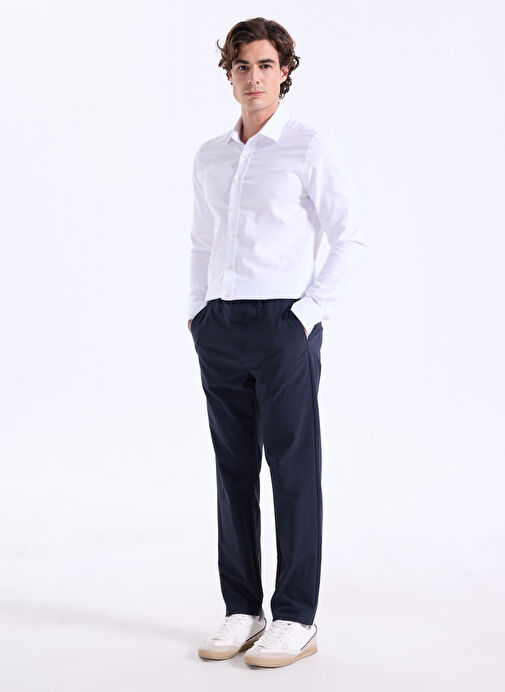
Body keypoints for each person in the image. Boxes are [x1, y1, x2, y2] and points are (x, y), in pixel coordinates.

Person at [188, 17, 366, 668]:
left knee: (292, 472)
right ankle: (242, 607)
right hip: (221, 324)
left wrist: (307, 315)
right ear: (229, 74)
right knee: (232, 470)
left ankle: (295, 616)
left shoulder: (309, 145)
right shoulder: (210, 155)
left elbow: (349, 236)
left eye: (265, 65)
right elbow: (202, 240)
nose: (253, 77)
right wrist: (197, 311)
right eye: (242, 66)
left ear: (285, 71)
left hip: (283, 326)